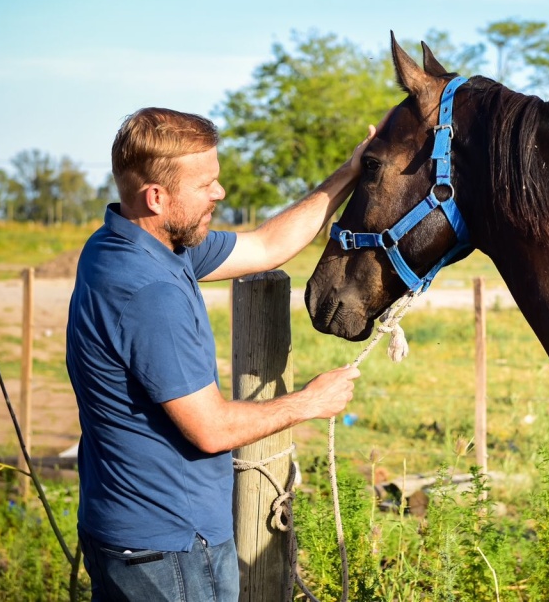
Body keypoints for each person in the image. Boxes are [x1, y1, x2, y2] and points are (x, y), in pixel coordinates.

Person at [66, 107, 377, 601]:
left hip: (120, 530)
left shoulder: (125, 244)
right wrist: (310, 402)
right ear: (156, 197)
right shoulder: (150, 292)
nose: (220, 192)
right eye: (206, 184)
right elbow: (210, 429)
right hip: (170, 549)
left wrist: (351, 171)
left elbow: (267, 246)